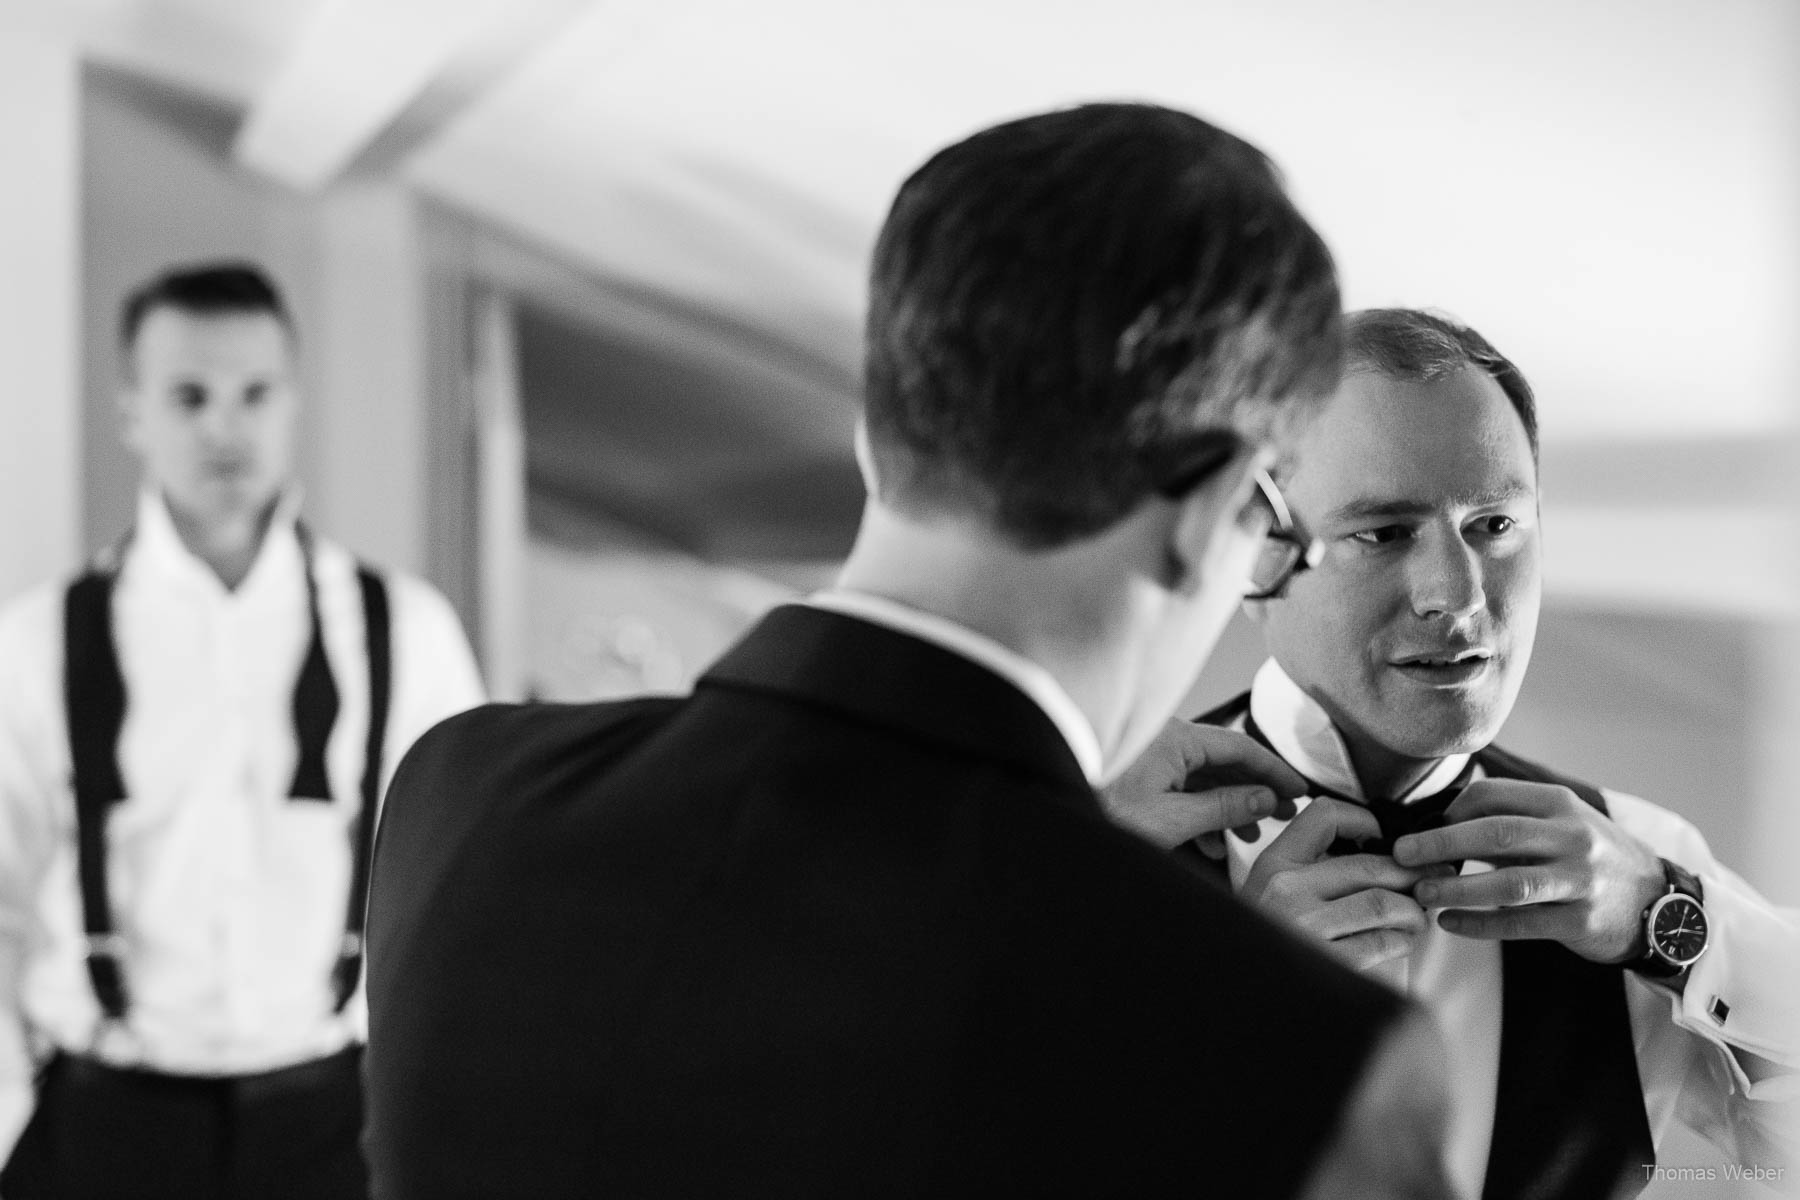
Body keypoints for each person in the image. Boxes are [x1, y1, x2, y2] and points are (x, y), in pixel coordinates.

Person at [363, 103, 1457, 1199]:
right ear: (1212, 510)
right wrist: (1169, 945)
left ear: (873, 430)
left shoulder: (459, 794)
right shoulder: (1303, 1061)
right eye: (1276, 537)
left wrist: (1074, 853)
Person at [1161, 307, 1799, 1199]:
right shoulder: (1100, 847)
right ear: (1255, 560)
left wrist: (1673, 927)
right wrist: (1227, 1027)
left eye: (1495, 526)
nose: (1457, 598)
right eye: (1383, 533)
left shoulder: (1640, 863)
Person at [0, 262, 486, 1199]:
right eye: (190, 396)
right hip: (101, 1125)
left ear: (293, 403)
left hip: (334, 1124)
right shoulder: (32, 645)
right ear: (133, 414)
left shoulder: (406, 631)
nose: (226, 427)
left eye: (254, 394)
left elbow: (459, 895)